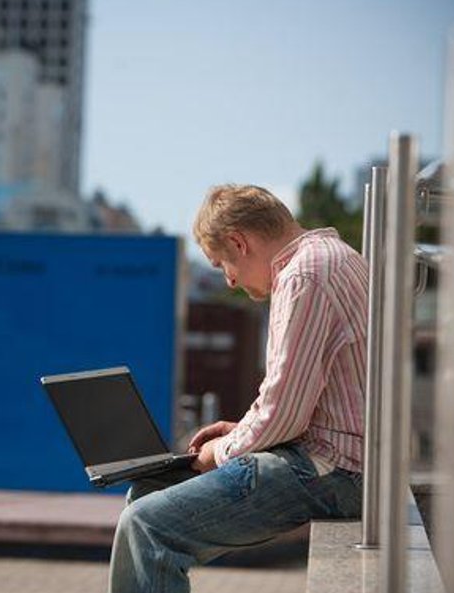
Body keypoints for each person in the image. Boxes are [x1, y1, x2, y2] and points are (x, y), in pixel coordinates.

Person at [109, 184, 368, 593]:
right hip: (341, 460)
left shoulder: (304, 277)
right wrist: (241, 430)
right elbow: (301, 399)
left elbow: (284, 413)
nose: (229, 281)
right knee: (148, 491)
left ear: (238, 242)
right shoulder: (336, 257)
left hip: (334, 470)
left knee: (146, 527)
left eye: (221, 265)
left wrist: (221, 452)